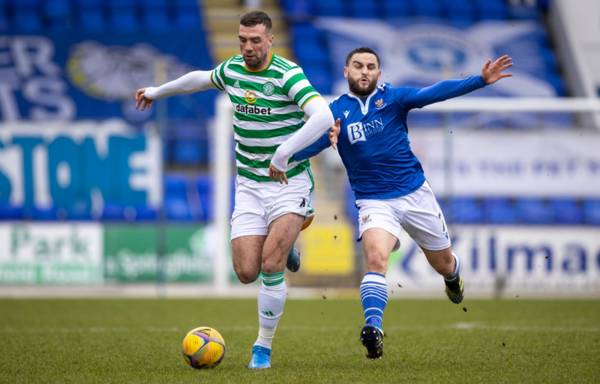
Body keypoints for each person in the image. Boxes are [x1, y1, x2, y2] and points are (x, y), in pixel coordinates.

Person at [135, 10, 334, 369]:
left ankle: (262, 347)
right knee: (246, 272)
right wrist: (157, 91)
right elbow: (200, 79)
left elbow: (322, 116)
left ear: (270, 40)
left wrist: (284, 153)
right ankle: (286, 245)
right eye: (242, 40)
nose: (247, 47)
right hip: (249, 187)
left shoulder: (288, 74)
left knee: (270, 264)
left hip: (289, 184)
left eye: (255, 40)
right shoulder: (232, 70)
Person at [293, 47, 512, 359]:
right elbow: (311, 145)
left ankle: (452, 277)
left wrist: (479, 80)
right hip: (373, 201)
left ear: (379, 73)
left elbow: (434, 92)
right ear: (346, 71)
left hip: (415, 195)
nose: (364, 71)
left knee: (443, 263)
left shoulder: (393, 99)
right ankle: (373, 328)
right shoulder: (334, 113)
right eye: (358, 66)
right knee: (376, 260)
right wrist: (287, 156)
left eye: (371, 66)